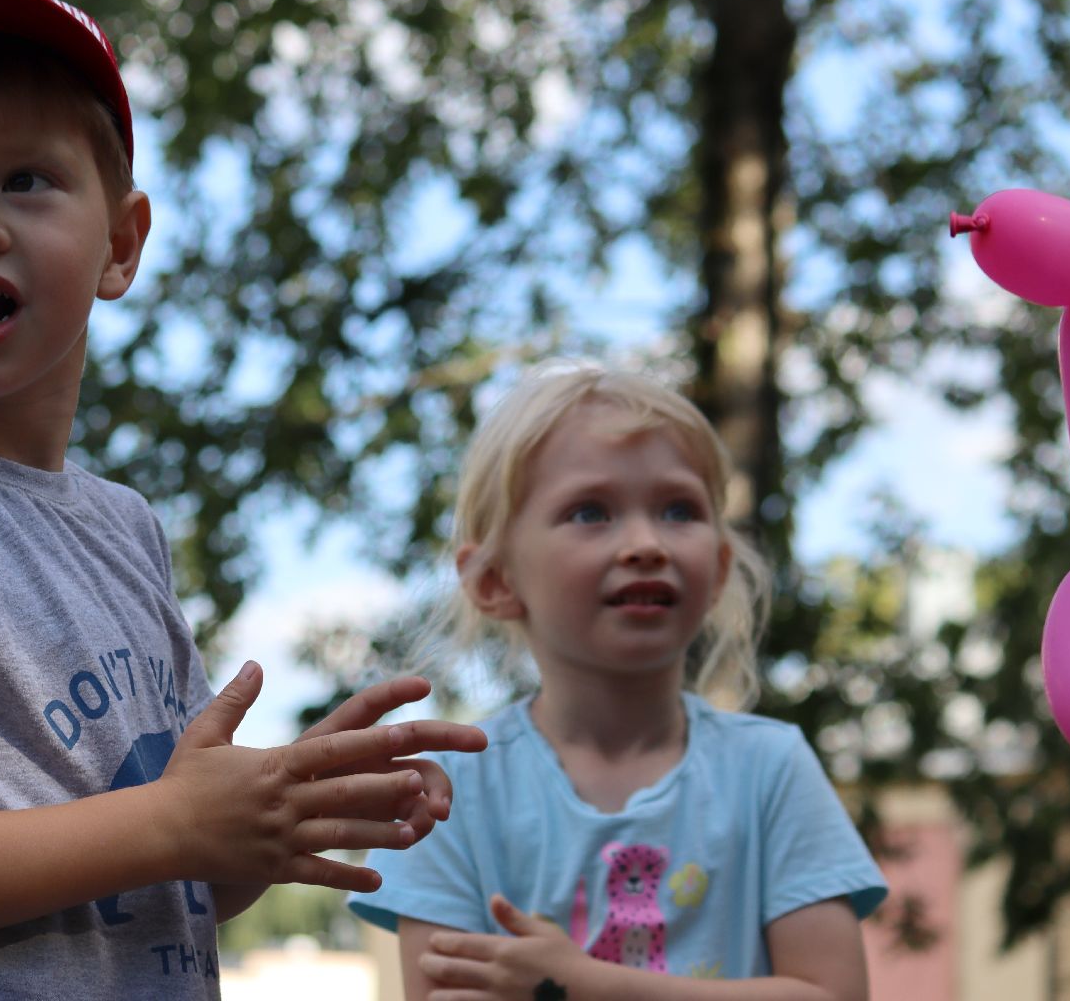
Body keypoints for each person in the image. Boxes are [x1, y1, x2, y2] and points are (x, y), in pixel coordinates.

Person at [0, 0, 486, 1000]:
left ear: (123, 242)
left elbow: (170, 874)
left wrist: (273, 807)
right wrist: (170, 822)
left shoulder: (122, 528)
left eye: (25, 180)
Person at [348, 360, 887, 1000]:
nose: (644, 543)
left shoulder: (770, 769)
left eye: (678, 509)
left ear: (717, 569)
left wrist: (578, 986)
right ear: (496, 580)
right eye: (590, 512)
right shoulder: (446, 790)